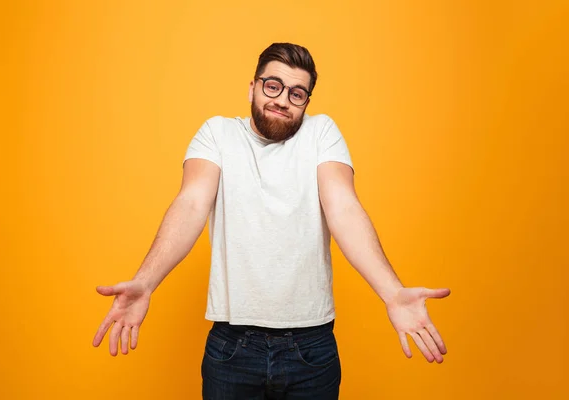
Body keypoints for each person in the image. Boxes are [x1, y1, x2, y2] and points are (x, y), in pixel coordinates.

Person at [92, 42, 451, 399]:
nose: (282, 100)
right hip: (232, 347)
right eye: (273, 86)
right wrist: (146, 281)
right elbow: (191, 203)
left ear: (307, 102)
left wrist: (392, 293)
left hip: (311, 347)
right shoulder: (217, 134)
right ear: (253, 86)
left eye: (297, 94)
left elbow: (343, 206)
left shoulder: (321, 133)